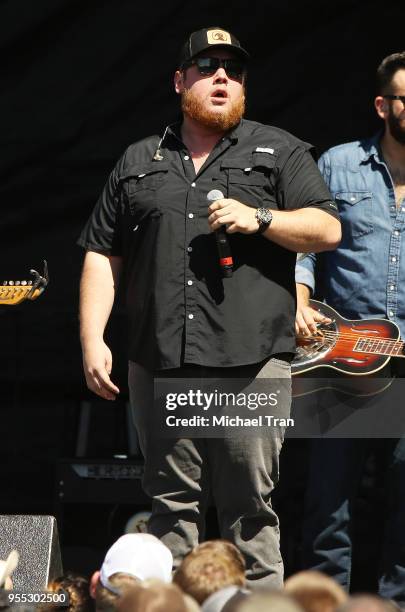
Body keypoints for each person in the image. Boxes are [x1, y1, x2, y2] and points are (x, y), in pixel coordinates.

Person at [78, 26, 340, 588]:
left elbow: (327, 227)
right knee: (172, 512)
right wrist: (92, 338)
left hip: (251, 365)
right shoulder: (138, 160)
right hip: (163, 361)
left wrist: (261, 218)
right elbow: (103, 251)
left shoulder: (278, 149)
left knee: (250, 512)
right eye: (207, 66)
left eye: (233, 69)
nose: (222, 75)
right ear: (180, 81)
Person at [295, 52, 405, 604]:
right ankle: (324, 603)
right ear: (383, 106)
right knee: (328, 501)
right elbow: (307, 246)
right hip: (345, 356)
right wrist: (300, 299)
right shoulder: (340, 164)